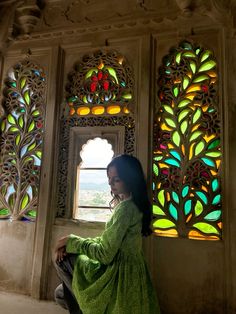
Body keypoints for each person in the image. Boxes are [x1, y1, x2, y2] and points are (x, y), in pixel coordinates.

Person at [53, 154, 160, 314]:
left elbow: (105, 254)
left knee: (60, 259)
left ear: (130, 179)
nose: (110, 183)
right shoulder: (136, 205)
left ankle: (83, 308)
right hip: (132, 270)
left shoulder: (125, 209)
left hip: (117, 273)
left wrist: (71, 241)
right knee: (62, 292)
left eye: (116, 179)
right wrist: (72, 244)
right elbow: (109, 241)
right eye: (109, 178)